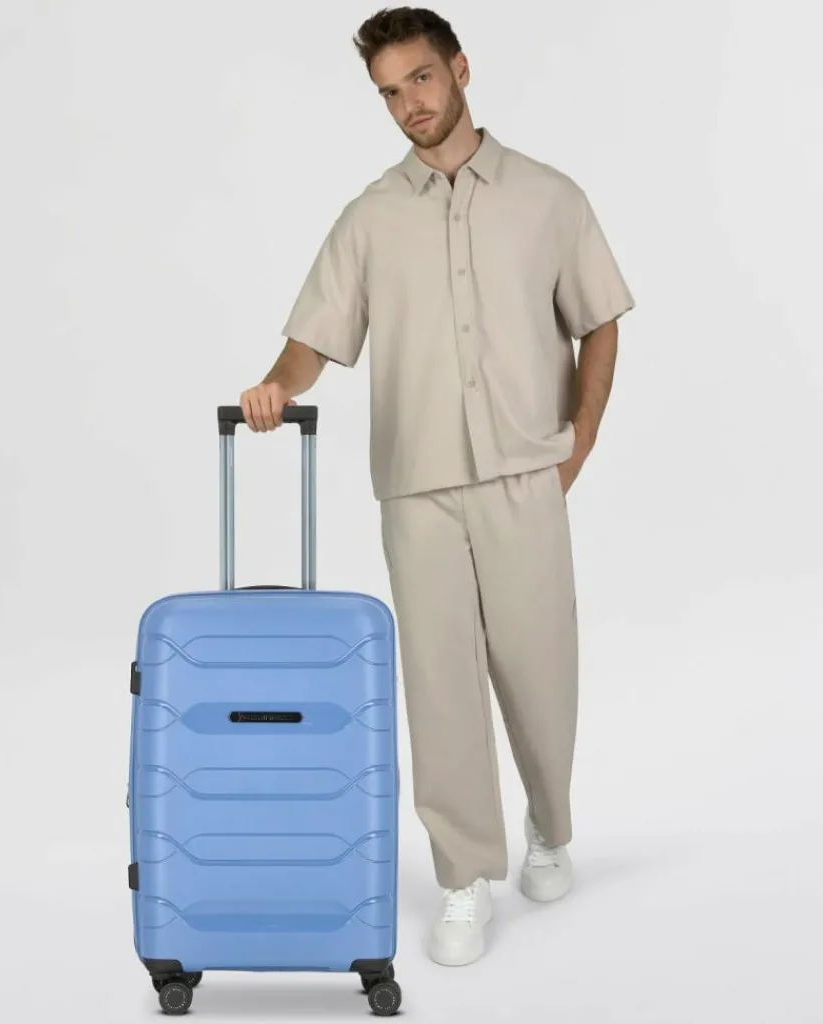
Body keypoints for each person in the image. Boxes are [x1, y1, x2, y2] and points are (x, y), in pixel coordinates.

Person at [239, 6, 635, 966]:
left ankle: (550, 825)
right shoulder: (370, 216)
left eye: (419, 79)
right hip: (416, 484)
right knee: (439, 685)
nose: (407, 104)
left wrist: (577, 442)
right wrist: (277, 384)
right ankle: (464, 875)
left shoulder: (549, 197)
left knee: (540, 673)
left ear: (460, 69)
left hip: (524, 473)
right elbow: (315, 338)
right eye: (388, 92)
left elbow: (600, 320)